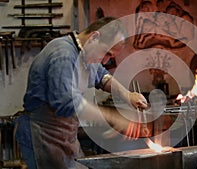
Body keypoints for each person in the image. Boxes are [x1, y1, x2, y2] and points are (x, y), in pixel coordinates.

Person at [15, 16, 148, 169]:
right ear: (94, 37)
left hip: (65, 135)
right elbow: (66, 103)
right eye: (107, 53)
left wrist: (127, 95)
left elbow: (101, 76)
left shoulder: (85, 52)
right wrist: (114, 119)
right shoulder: (63, 54)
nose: (105, 61)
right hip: (42, 135)